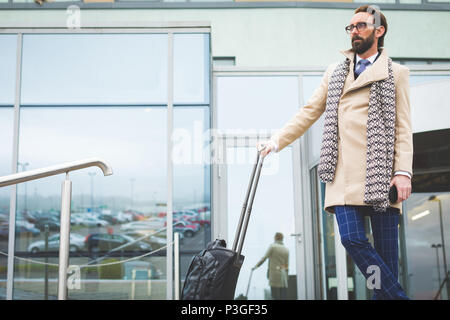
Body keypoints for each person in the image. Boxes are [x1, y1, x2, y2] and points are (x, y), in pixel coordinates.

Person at [258, 5, 413, 300]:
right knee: (352, 239)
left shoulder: (398, 74)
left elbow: (403, 128)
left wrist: (403, 172)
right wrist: (277, 140)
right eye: (351, 27)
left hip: (381, 177)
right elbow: (308, 112)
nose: (354, 31)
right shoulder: (335, 72)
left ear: (379, 31)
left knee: (387, 263)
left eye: (361, 26)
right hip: (343, 176)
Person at [253, 232, 289, 300]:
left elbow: (264, 258)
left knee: (275, 296)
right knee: (282, 297)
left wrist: (256, 266)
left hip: (274, 276)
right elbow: (286, 266)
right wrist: (286, 277)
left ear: (275, 238)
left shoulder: (272, 247)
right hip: (283, 277)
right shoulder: (286, 250)